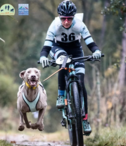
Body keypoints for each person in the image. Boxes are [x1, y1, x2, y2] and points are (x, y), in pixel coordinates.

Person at [39, 0, 101, 135]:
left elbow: (90, 42)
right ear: (59, 17)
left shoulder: (80, 24)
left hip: (75, 49)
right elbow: (47, 46)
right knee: (64, 62)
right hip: (58, 48)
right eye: (63, 18)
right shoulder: (54, 25)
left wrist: (96, 51)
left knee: (81, 81)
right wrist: (43, 57)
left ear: (74, 17)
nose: (66, 22)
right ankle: (61, 96)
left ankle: (84, 120)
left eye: (69, 18)